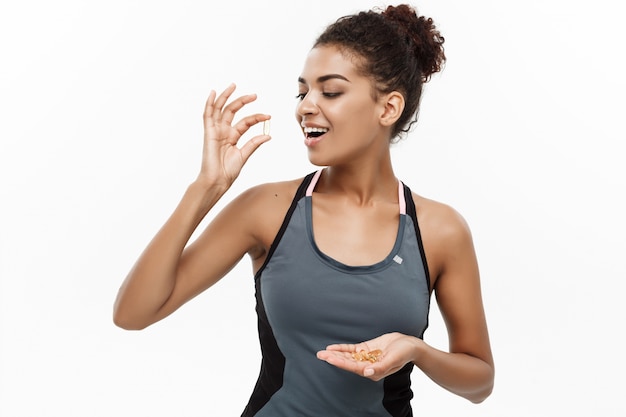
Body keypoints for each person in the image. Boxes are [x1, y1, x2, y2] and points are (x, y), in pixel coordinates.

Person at [113, 3, 494, 416]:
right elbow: (134, 313)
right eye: (303, 91)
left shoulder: (440, 230)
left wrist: (416, 351)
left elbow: (479, 381)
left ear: (388, 108)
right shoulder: (266, 210)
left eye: (330, 91)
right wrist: (206, 188)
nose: (305, 106)